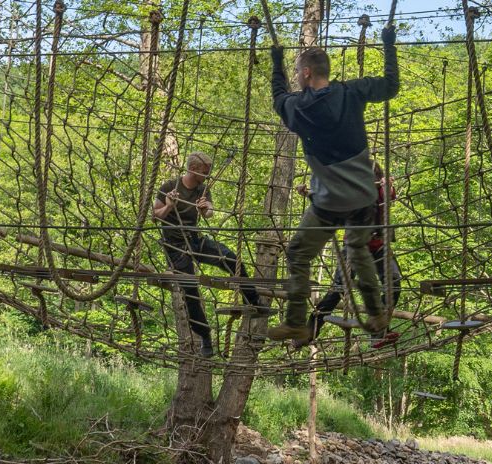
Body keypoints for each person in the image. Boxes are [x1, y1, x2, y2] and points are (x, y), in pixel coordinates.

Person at [262, 24, 400, 347]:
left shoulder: (299, 108)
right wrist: (389, 46)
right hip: (363, 196)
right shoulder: (352, 92)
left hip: (327, 201)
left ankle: (296, 322)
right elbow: (391, 86)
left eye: (298, 72)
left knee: (298, 252)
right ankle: (377, 314)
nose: (297, 77)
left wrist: (276, 63)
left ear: (307, 73)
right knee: (358, 249)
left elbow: (278, 97)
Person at [154, 152, 268, 358]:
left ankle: (252, 299)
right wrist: (169, 206)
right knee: (191, 293)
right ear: (194, 170)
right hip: (176, 246)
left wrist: (205, 209)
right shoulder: (169, 186)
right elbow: (155, 215)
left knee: (231, 258)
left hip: (196, 241)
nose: (208, 175)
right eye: (205, 172)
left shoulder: (202, 188)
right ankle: (205, 337)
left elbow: (209, 212)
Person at [304, 164, 402, 348]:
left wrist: (386, 184)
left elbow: (390, 194)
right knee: (339, 289)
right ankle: (310, 329)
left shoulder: (381, 193)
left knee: (394, 284)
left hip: (379, 247)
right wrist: (309, 194)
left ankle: (377, 332)